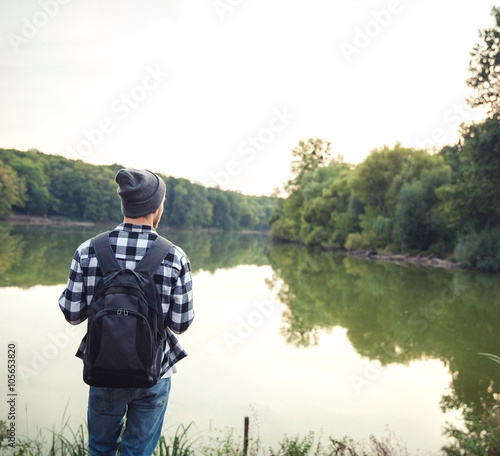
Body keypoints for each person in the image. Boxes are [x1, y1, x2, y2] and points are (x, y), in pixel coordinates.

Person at [59, 168, 195, 456]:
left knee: (101, 449)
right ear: (157, 207)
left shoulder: (88, 250)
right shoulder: (174, 256)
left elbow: (72, 313)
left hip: (103, 368)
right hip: (154, 371)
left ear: (125, 205)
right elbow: (181, 323)